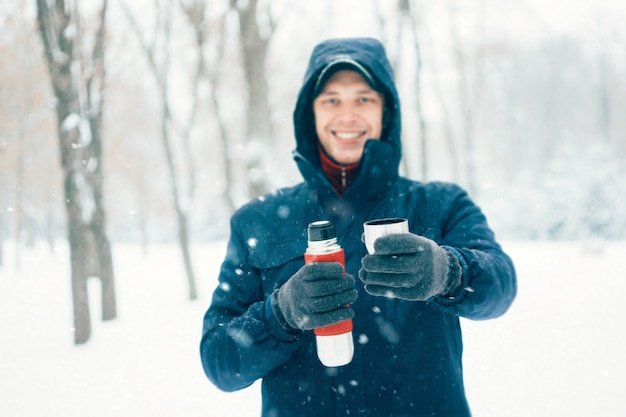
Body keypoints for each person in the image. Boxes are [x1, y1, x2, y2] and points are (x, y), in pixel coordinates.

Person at [200, 37, 517, 417]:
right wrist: (281, 314)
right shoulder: (257, 220)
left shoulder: (441, 204)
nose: (347, 114)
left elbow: (501, 286)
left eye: (364, 99)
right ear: (309, 114)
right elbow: (219, 361)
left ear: (387, 112)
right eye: (331, 100)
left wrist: (448, 272)